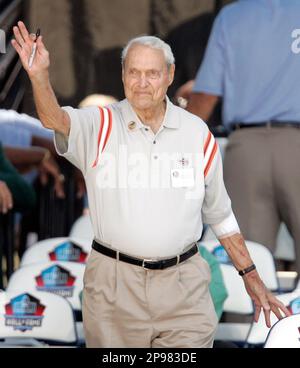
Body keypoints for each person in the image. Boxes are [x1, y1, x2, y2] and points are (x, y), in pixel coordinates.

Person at [12, 21, 290, 348]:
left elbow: (220, 215)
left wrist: (252, 277)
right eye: (134, 72)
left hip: (184, 287)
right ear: (123, 75)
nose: (142, 83)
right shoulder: (99, 124)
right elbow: (53, 119)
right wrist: (38, 76)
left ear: (170, 75)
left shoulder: (196, 133)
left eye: (152, 74)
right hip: (115, 287)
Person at [187, 0, 300, 275]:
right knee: (247, 262)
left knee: (249, 268)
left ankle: (250, 319)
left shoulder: (233, 16)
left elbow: (206, 95)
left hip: (246, 150)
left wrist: (174, 142)